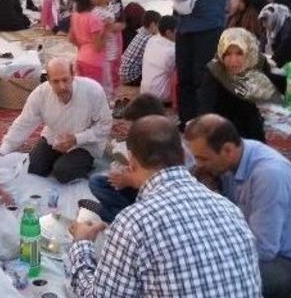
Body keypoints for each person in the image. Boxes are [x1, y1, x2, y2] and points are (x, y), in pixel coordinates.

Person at [68, 115, 262, 297]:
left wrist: (81, 245)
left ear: (132, 160)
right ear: (183, 156)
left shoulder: (134, 222)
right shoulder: (230, 209)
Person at [186, 116, 291, 298]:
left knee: (216, 283)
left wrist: (217, 258)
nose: (199, 165)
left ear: (227, 150)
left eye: (203, 159)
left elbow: (264, 248)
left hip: (290, 265)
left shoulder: (269, 175)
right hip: (257, 251)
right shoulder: (232, 159)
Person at [0, 58, 111, 183]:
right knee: (35, 168)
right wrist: (4, 149)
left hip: (85, 144)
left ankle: (85, 163)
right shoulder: (40, 94)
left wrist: (77, 139)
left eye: (65, 80)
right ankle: (63, 160)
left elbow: (105, 125)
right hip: (54, 138)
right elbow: (24, 122)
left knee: (62, 172)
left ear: (73, 75)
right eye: (56, 81)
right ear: (48, 80)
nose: (62, 87)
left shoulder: (92, 91)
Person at [87, 94, 167, 223]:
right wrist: (123, 172)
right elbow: (133, 166)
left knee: (106, 211)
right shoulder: (137, 137)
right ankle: (122, 212)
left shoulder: (166, 143)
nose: (130, 128)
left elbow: (159, 186)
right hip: (135, 188)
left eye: (135, 124)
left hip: (152, 198)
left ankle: (118, 215)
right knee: (96, 181)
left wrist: (130, 180)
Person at [199, 28, 281, 141]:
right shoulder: (215, 70)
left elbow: (270, 81)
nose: (233, 60)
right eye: (227, 54)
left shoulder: (257, 63)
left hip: (250, 123)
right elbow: (206, 103)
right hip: (222, 127)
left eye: (239, 53)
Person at [69, 0, 109, 91]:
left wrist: (83, 45)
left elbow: (71, 38)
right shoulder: (93, 19)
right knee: (95, 92)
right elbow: (98, 46)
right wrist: (107, 30)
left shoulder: (75, 15)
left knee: (82, 91)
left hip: (81, 58)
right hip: (94, 62)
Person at [140, 16, 178, 103]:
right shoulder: (172, 50)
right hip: (161, 96)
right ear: (168, 32)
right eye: (177, 31)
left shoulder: (152, 40)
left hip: (145, 92)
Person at [118, 10, 161, 86]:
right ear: (153, 24)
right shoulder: (149, 39)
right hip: (131, 78)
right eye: (159, 25)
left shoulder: (141, 32)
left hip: (122, 73)